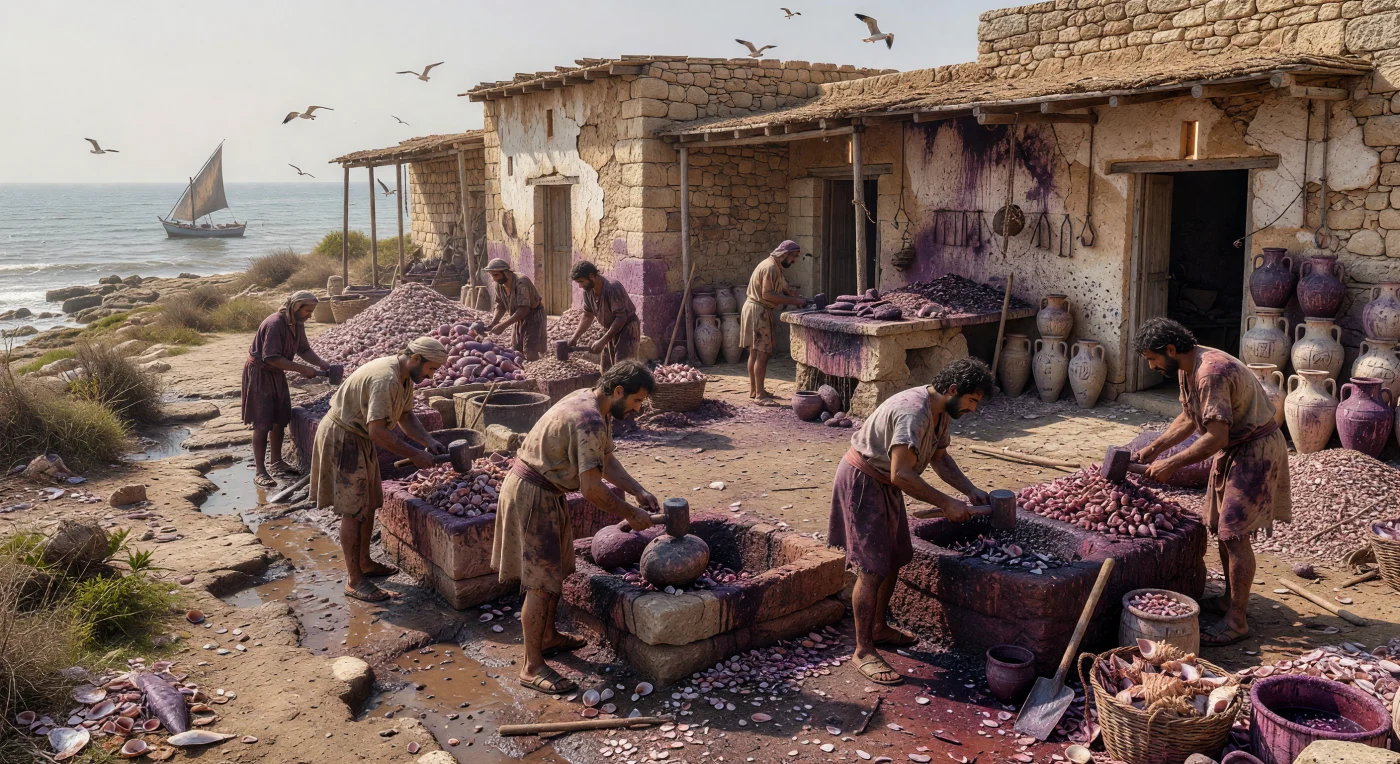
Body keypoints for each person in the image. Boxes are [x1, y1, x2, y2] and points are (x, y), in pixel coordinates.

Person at [492, 360, 661, 694]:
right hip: (532, 495)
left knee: (554, 573)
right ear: (618, 391)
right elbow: (591, 489)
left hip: (545, 491)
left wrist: (638, 490)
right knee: (540, 584)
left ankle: (549, 636)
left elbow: (605, 461)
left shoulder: (592, 401)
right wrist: (628, 512)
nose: (638, 409)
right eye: (637, 401)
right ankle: (532, 666)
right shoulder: (590, 420)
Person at [828, 358, 993, 685]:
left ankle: (879, 627)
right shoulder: (913, 413)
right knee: (872, 568)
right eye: (972, 401)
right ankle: (863, 650)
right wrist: (946, 503)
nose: (974, 409)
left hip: (885, 485)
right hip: (864, 480)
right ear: (953, 390)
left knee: (893, 560)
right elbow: (901, 473)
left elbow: (940, 458)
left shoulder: (940, 413)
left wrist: (971, 490)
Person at [1130, 317, 1289, 647]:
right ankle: (1231, 600)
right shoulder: (1187, 368)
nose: (1152, 365)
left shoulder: (1210, 372)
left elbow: (1216, 436)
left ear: (1171, 349)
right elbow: (1190, 416)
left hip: (1253, 450)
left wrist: (1171, 464)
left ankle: (1237, 621)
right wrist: (1156, 446)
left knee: (1235, 536)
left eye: (1152, 358)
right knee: (1222, 528)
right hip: (1237, 448)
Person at [309, 337, 449, 603]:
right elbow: (378, 432)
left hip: (359, 437)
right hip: (345, 437)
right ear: (416, 358)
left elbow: (406, 416)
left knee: (368, 503)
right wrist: (415, 454)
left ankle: (365, 562)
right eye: (431, 369)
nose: (433, 375)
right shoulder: (386, 379)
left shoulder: (405, 376)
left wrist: (429, 442)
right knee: (352, 510)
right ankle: (354, 580)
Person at [241, 291, 332, 488]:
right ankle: (260, 471)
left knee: (279, 418)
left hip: (276, 373)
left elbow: (304, 349)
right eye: (308, 311)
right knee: (262, 421)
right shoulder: (276, 324)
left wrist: (321, 364)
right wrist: (301, 369)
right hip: (260, 373)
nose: (310, 315)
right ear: (296, 307)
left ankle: (276, 462)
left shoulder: (296, 324)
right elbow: (271, 357)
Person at [741, 240, 807, 400]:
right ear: (784, 254)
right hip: (758, 311)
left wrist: (788, 292)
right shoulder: (770, 267)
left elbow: (778, 287)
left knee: (755, 353)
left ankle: (755, 391)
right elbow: (767, 294)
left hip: (754, 309)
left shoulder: (773, 265)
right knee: (762, 353)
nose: (794, 261)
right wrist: (795, 302)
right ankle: (759, 396)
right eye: (794, 257)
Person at [569, 261, 641, 368]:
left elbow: (621, 317)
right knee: (607, 369)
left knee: (623, 369)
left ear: (591, 276)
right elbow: (587, 316)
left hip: (626, 328)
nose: (580, 286)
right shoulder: (588, 291)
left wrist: (602, 341)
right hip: (610, 328)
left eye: (581, 281)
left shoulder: (612, 287)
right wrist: (574, 338)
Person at [484, 258, 548, 361]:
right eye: (492, 276)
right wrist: (494, 323)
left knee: (531, 351)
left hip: (533, 316)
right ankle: (523, 371)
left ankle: (538, 369)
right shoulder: (499, 285)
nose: (494, 279)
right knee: (516, 349)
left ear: (505, 272)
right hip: (518, 317)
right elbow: (500, 305)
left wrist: (503, 325)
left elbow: (524, 309)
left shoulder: (521, 282)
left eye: (496, 275)